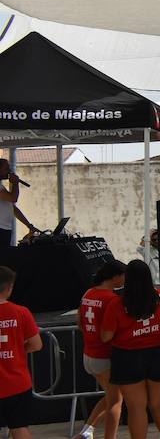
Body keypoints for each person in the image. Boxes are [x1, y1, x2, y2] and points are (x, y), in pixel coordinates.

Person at [98, 260, 160, 439]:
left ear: (127, 279)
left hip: (127, 356)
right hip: (158, 353)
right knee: (159, 403)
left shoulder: (117, 304)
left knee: (136, 407)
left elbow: (106, 336)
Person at [76, 261, 126, 439]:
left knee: (111, 396)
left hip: (89, 355)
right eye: (124, 276)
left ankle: (86, 432)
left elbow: (80, 323)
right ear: (115, 277)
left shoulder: (88, 293)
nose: (125, 280)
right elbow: (112, 331)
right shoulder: (112, 299)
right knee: (116, 401)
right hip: (104, 356)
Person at [0, 267, 39, 439]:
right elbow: (36, 345)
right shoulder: (21, 312)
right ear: (9, 288)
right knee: (19, 427)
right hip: (17, 382)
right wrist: (17, 350)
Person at [0, 160, 35, 248]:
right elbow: (13, 198)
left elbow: (13, 208)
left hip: (5, 229)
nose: (9, 171)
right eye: (6, 169)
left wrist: (29, 225)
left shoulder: (1, 187)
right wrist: (15, 183)